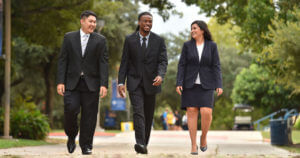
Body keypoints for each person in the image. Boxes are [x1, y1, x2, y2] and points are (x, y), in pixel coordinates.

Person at [56, 10, 108, 155]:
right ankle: (72, 136)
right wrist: (60, 81)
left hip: (91, 84)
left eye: (94, 22)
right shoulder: (69, 37)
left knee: (89, 117)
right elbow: (63, 60)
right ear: (82, 21)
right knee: (70, 109)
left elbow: (103, 63)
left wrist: (104, 84)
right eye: (90, 21)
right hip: (72, 83)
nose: (93, 24)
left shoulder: (100, 40)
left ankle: (86, 145)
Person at [118, 11, 168, 154]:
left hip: (152, 83)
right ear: (139, 22)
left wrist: (160, 75)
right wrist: (121, 82)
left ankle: (144, 143)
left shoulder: (159, 41)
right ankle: (139, 142)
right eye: (145, 21)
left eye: (150, 21)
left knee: (148, 114)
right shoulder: (129, 40)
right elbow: (124, 62)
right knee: (138, 112)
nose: (148, 24)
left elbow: (163, 61)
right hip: (134, 82)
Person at [176, 20, 223, 155]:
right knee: (191, 111)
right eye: (191, 29)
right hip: (189, 84)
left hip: (207, 84)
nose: (192, 31)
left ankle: (203, 137)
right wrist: (179, 82)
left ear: (202, 30)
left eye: (195, 28)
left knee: (206, 112)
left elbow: (216, 66)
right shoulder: (187, 46)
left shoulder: (212, 46)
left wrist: (219, 84)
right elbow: (182, 65)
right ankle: (193, 145)